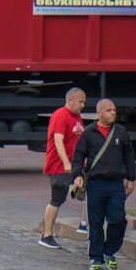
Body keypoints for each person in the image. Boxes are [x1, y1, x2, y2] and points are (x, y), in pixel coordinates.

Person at [71, 99, 136, 270]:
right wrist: (77, 175)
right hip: (95, 183)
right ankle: (96, 257)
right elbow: (78, 156)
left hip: (116, 184)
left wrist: (131, 179)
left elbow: (129, 157)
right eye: (108, 110)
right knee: (96, 221)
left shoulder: (121, 132)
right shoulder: (89, 132)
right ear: (99, 113)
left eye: (114, 110)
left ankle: (110, 250)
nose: (113, 113)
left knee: (118, 219)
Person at [40, 87, 87, 249]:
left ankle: (84, 224)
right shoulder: (60, 115)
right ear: (70, 100)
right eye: (80, 102)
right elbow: (58, 140)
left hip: (74, 166)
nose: (82, 105)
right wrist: (66, 163)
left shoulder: (77, 117)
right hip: (59, 166)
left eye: (84, 102)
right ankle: (46, 235)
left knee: (88, 190)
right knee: (57, 199)